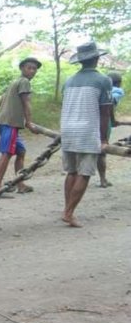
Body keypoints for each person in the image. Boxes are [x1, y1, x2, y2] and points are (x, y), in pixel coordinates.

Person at [60, 42, 112, 228]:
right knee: (85, 173)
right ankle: (69, 212)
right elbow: (105, 112)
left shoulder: (69, 80)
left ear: (81, 61)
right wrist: (104, 139)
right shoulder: (103, 80)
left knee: (71, 171)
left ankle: (67, 209)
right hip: (87, 132)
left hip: (67, 130)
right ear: (97, 59)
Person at [0, 58, 42, 194]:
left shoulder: (14, 82)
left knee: (21, 152)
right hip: (10, 123)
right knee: (7, 153)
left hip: (5, 121)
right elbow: (26, 102)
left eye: (34, 68)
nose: (32, 71)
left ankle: (20, 184)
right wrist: (29, 122)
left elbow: (0, 100)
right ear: (22, 68)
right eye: (29, 67)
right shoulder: (24, 82)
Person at [96, 71, 124, 187]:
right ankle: (103, 180)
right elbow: (110, 104)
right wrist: (112, 120)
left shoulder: (99, 87)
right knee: (102, 150)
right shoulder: (118, 91)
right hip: (104, 121)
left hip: (91, 120)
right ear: (119, 83)